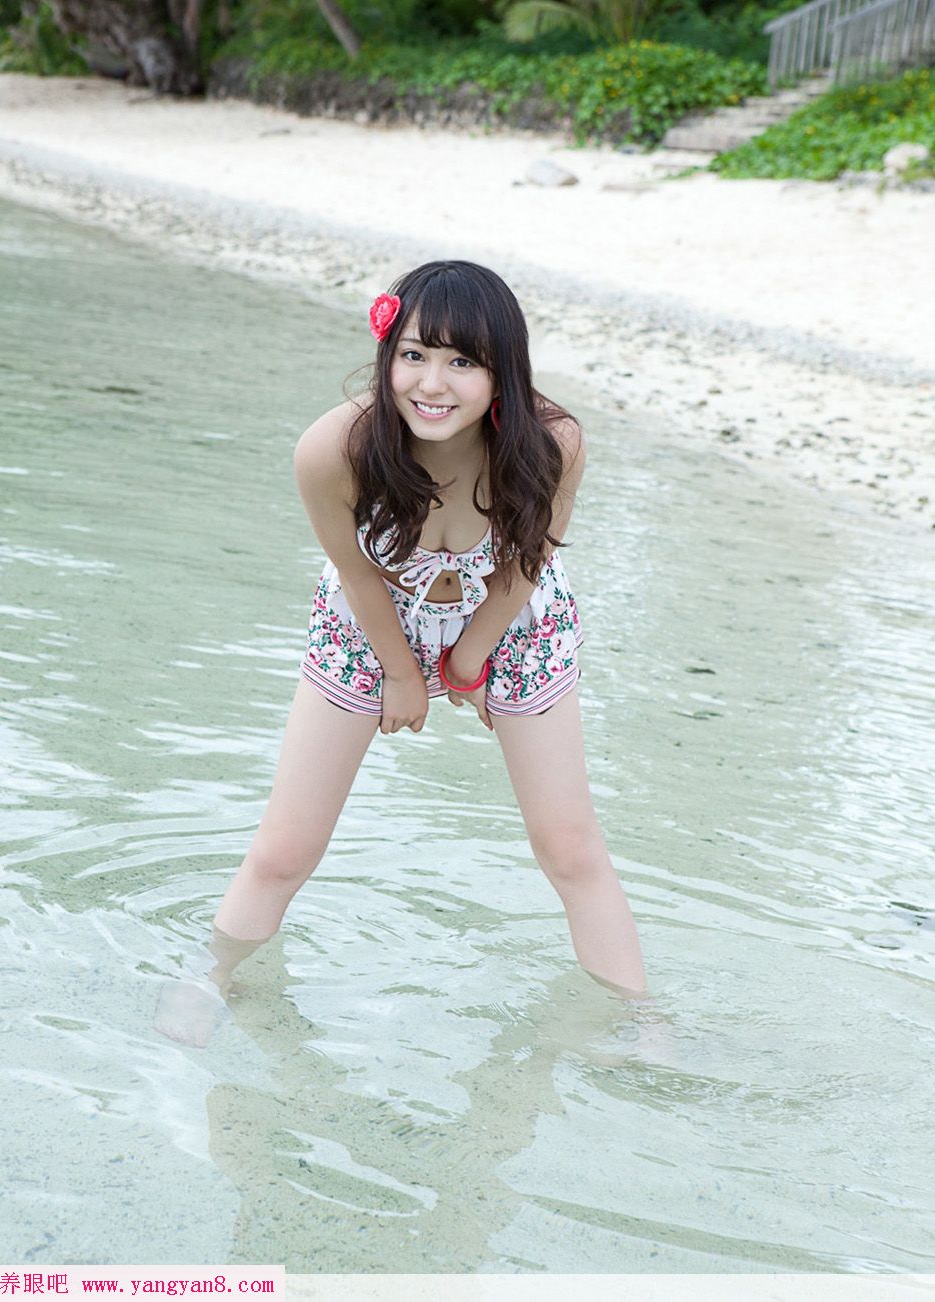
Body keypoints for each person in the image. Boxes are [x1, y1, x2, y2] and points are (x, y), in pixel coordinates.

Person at [156, 260, 646, 1046]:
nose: (432, 384)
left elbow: (530, 560)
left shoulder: (554, 442)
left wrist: (468, 662)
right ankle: (207, 977)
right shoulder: (332, 449)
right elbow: (355, 573)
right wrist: (400, 671)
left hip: (515, 620)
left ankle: (639, 1023)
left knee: (570, 847)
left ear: (503, 372)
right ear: (387, 354)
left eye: (462, 362)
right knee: (285, 849)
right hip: (368, 620)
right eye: (413, 354)